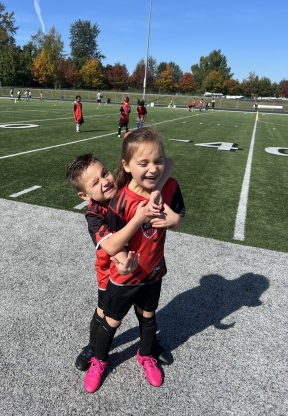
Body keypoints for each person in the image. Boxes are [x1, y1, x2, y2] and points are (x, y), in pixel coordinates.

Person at [84, 127, 186, 393]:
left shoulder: (170, 186)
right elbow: (117, 241)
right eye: (144, 163)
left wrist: (176, 220)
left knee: (149, 316)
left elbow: (178, 209)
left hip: (153, 271)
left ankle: (146, 354)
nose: (153, 169)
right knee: (111, 321)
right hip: (125, 275)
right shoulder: (119, 202)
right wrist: (119, 259)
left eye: (157, 161)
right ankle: (98, 359)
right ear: (127, 166)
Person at [66, 153, 174, 373]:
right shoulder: (94, 215)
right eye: (95, 183)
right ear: (84, 195)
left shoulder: (124, 185)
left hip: (144, 266)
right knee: (104, 312)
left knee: (145, 309)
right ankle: (94, 348)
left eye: (104, 173)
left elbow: (169, 163)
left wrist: (153, 180)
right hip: (110, 273)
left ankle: (149, 345)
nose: (105, 181)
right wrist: (124, 259)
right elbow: (112, 247)